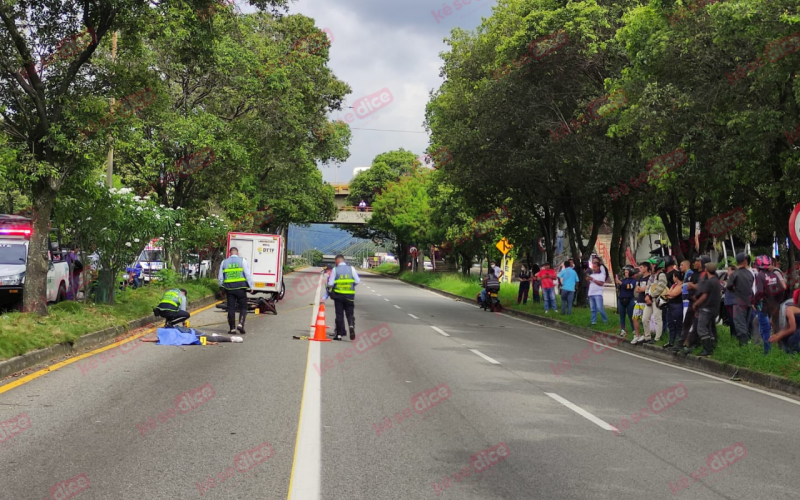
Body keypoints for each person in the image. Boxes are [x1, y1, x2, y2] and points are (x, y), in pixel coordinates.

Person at [672, 256, 707, 354]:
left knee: (697, 326)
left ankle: (693, 345)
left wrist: (691, 285)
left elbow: (700, 286)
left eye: (696, 261)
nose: (694, 263)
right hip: (691, 301)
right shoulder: (694, 273)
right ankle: (680, 344)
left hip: (699, 303)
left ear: (700, 262)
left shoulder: (703, 274)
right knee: (686, 323)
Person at [753, 255, 785, 354]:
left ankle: (767, 352)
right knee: (767, 326)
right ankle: (780, 348)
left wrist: (754, 302)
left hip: (763, 305)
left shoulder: (760, 276)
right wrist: (777, 301)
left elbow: (759, 292)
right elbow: (781, 289)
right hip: (773, 304)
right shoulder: (773, 275)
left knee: (765, 329)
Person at [219, 247, 255, 335]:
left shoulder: (224, 262)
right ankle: (240, 324)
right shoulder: (242, 261)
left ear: (229, 253)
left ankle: (232, 329)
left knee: (231, 308)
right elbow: (247, 274)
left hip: (229, 289)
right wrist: (251, 286)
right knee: (243, 307)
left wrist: (221, 288)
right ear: (237, 253)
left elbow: (220, 277)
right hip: (240, 288)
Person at [325, 254, 360, 340]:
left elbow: (330, 283)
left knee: (339, 315)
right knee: (350, 314)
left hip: (339, 296)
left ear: (337, 261)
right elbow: (357, 281)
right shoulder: (351, 269)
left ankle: (339, 335)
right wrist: (351, 285)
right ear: (343, 260)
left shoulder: (335, 270)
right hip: (350, 295)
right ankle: (351, 326)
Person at [692, 262, 721, 357]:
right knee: (709, 329)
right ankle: (712, 347)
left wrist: (696, 303)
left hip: (706, 308)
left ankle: (707, 349)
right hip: (714, 308)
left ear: (706, 270)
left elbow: (704, 296)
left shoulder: (709, 282)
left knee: (701, 328)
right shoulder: (716, 281)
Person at [727, 253, 755, 346]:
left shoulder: (735, 274)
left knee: (739, 325)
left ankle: (743, 346)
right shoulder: (750, 274)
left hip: (738, 303)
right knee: (745, 324)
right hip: (748, 303)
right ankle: (746, 343)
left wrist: (734, 289)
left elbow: (729, 286)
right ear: (746, 261)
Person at [643, 259, 668, 342]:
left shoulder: (662, 275)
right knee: (645, 319)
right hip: (649, 299)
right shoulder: (652, 276)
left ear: (658, 265)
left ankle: (657, 338)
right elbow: (648, 286)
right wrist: (647, 295)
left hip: (657, 300)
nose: (652, 266)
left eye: (653, 264)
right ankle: (647, 337)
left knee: (658, 318)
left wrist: (650, 296)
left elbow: (660, 287)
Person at [662, 256, 683, 349]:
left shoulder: (680, 285)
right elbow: (668, 293)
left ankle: (680, 343)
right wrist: (669, 294)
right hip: (670, 304)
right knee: (670, 323)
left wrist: (669, 294)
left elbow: (672, 294)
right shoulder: (674, 284)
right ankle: (671, 341)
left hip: (677, 305)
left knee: (678, 324)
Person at [631, 262, 651, 345]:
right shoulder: (640, 277)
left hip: (645, 301)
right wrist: (641, 289)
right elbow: (637, 289)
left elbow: (645, 289)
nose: (640, 269)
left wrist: (641, 289)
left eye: (642, 267)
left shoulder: (650, 278)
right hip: (639, 301)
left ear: (646, 268)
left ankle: (645, 334)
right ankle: (637, 335)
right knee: (635, 318)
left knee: (644, 319)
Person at [616, 267, 637, 337]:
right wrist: (618, 283)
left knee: (631, 315)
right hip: (621, 299)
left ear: (631, 273)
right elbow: (620, 287)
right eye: (624, 272)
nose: (625, 274)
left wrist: (621, 283)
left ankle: (634, 330)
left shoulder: (633, 280)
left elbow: (630, 287)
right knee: (622, 315)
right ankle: (622, 329)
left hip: (629, 299)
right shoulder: (623, 280)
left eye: (627, 272)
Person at [586, 261, 608, 325]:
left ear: (599, 267)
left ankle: (605, 320)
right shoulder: (592, 275)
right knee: (592, 309)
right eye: (593, 267)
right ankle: (593, 321)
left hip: (598, 293)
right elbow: (589, 282)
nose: (594, 268)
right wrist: (588, 279)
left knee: (599, 308)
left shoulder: (602, 275)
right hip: (591, 293)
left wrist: (593, 280)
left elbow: (601, 284)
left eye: (595, 267)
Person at [723, 264, 738, 339]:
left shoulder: (735, 279)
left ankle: (735, 335)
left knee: (733, 320)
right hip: (728, 302)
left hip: (733, 302)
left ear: (733, 270)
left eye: (729, 270)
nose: (727, 272)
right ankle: (733, 335)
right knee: (730, 320)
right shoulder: (729, 279)